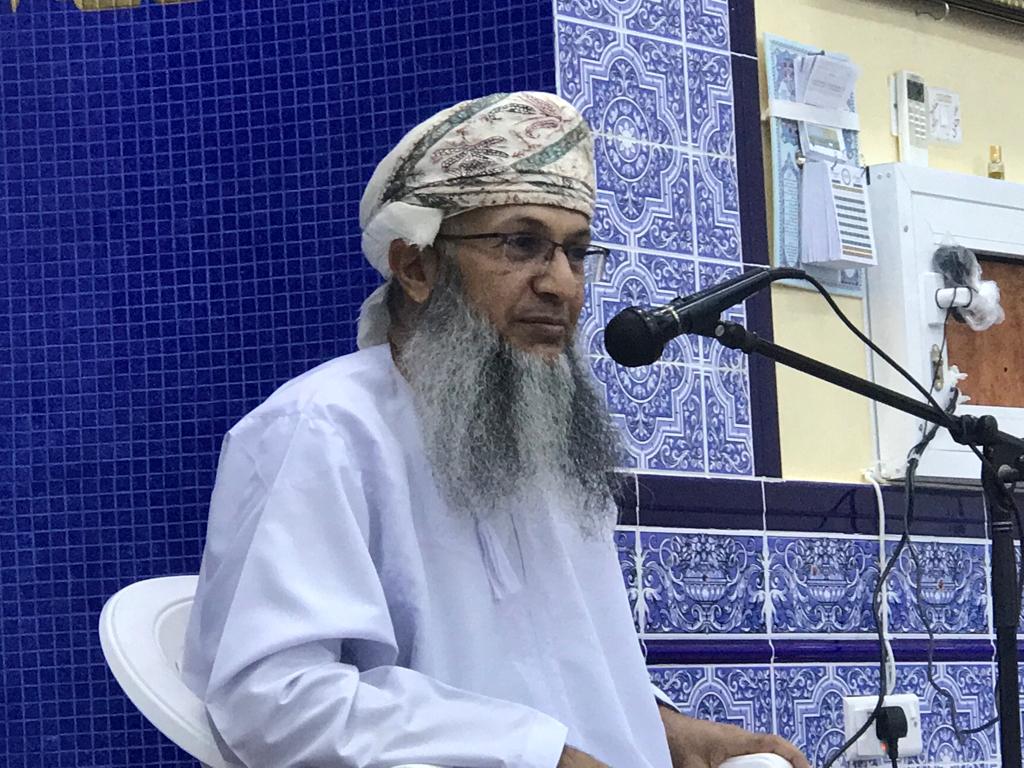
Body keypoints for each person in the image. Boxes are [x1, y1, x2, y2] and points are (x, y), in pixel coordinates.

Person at [182, 91, 810, 768]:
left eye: (576, 252)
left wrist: (665, 729)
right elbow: (273, 702)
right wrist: (534, 757)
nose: (562, 284)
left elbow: (555, 662)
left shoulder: (543, 440)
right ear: (416, 265)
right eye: (522, 244)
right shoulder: (322, 432)